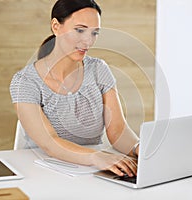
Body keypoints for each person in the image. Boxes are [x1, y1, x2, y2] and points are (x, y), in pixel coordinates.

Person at [10, 0, 139, 177]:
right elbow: (50, 143)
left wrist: (139, 149)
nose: (88, 41)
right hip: (40, 172)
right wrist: (97, 157)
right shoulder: (25, 82)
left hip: (91, 172)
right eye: (80, 30)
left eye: (94, 33)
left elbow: (117, 130)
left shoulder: (98, 69)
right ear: (56, 26)